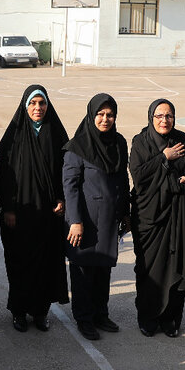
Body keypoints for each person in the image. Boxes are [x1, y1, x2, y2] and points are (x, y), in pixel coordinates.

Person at [0, 85, 69, 332]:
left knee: (46, 264)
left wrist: (62, 199)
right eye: (33, 103)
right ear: (25, 106)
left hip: (48, 215)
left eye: (42, 103)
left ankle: (40, 312)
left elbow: (67, 172)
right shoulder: (13, 136)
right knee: (20, 263)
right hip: (20, 215)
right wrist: (8, 208)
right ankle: (18, 311)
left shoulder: (57, 134)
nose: (38, 108)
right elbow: (4, 176)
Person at [129, 98, 185, 337]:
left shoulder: (184, 141)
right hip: (149, 218)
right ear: (151, 117)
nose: (164, 120)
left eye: (169, 115)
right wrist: (164, 157)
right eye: (159, 116)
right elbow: (139, 177)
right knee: (149, 269)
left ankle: (171, 319)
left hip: (178, 218)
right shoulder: (141, 142)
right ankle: (148, 316)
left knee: (176, 267)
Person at [63, 93, 129, 341]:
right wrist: (75, 221)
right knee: (83, 271)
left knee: (103, 269)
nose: (105, 119)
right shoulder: (77, 147)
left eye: (110, 115)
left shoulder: (119, 142)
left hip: (109, 220)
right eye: (100, 114)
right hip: (86, 221)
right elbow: (69, 187)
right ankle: (84, 318)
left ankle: (101, 313)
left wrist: (126, 213)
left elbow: (123, 178)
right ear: (91, 116)